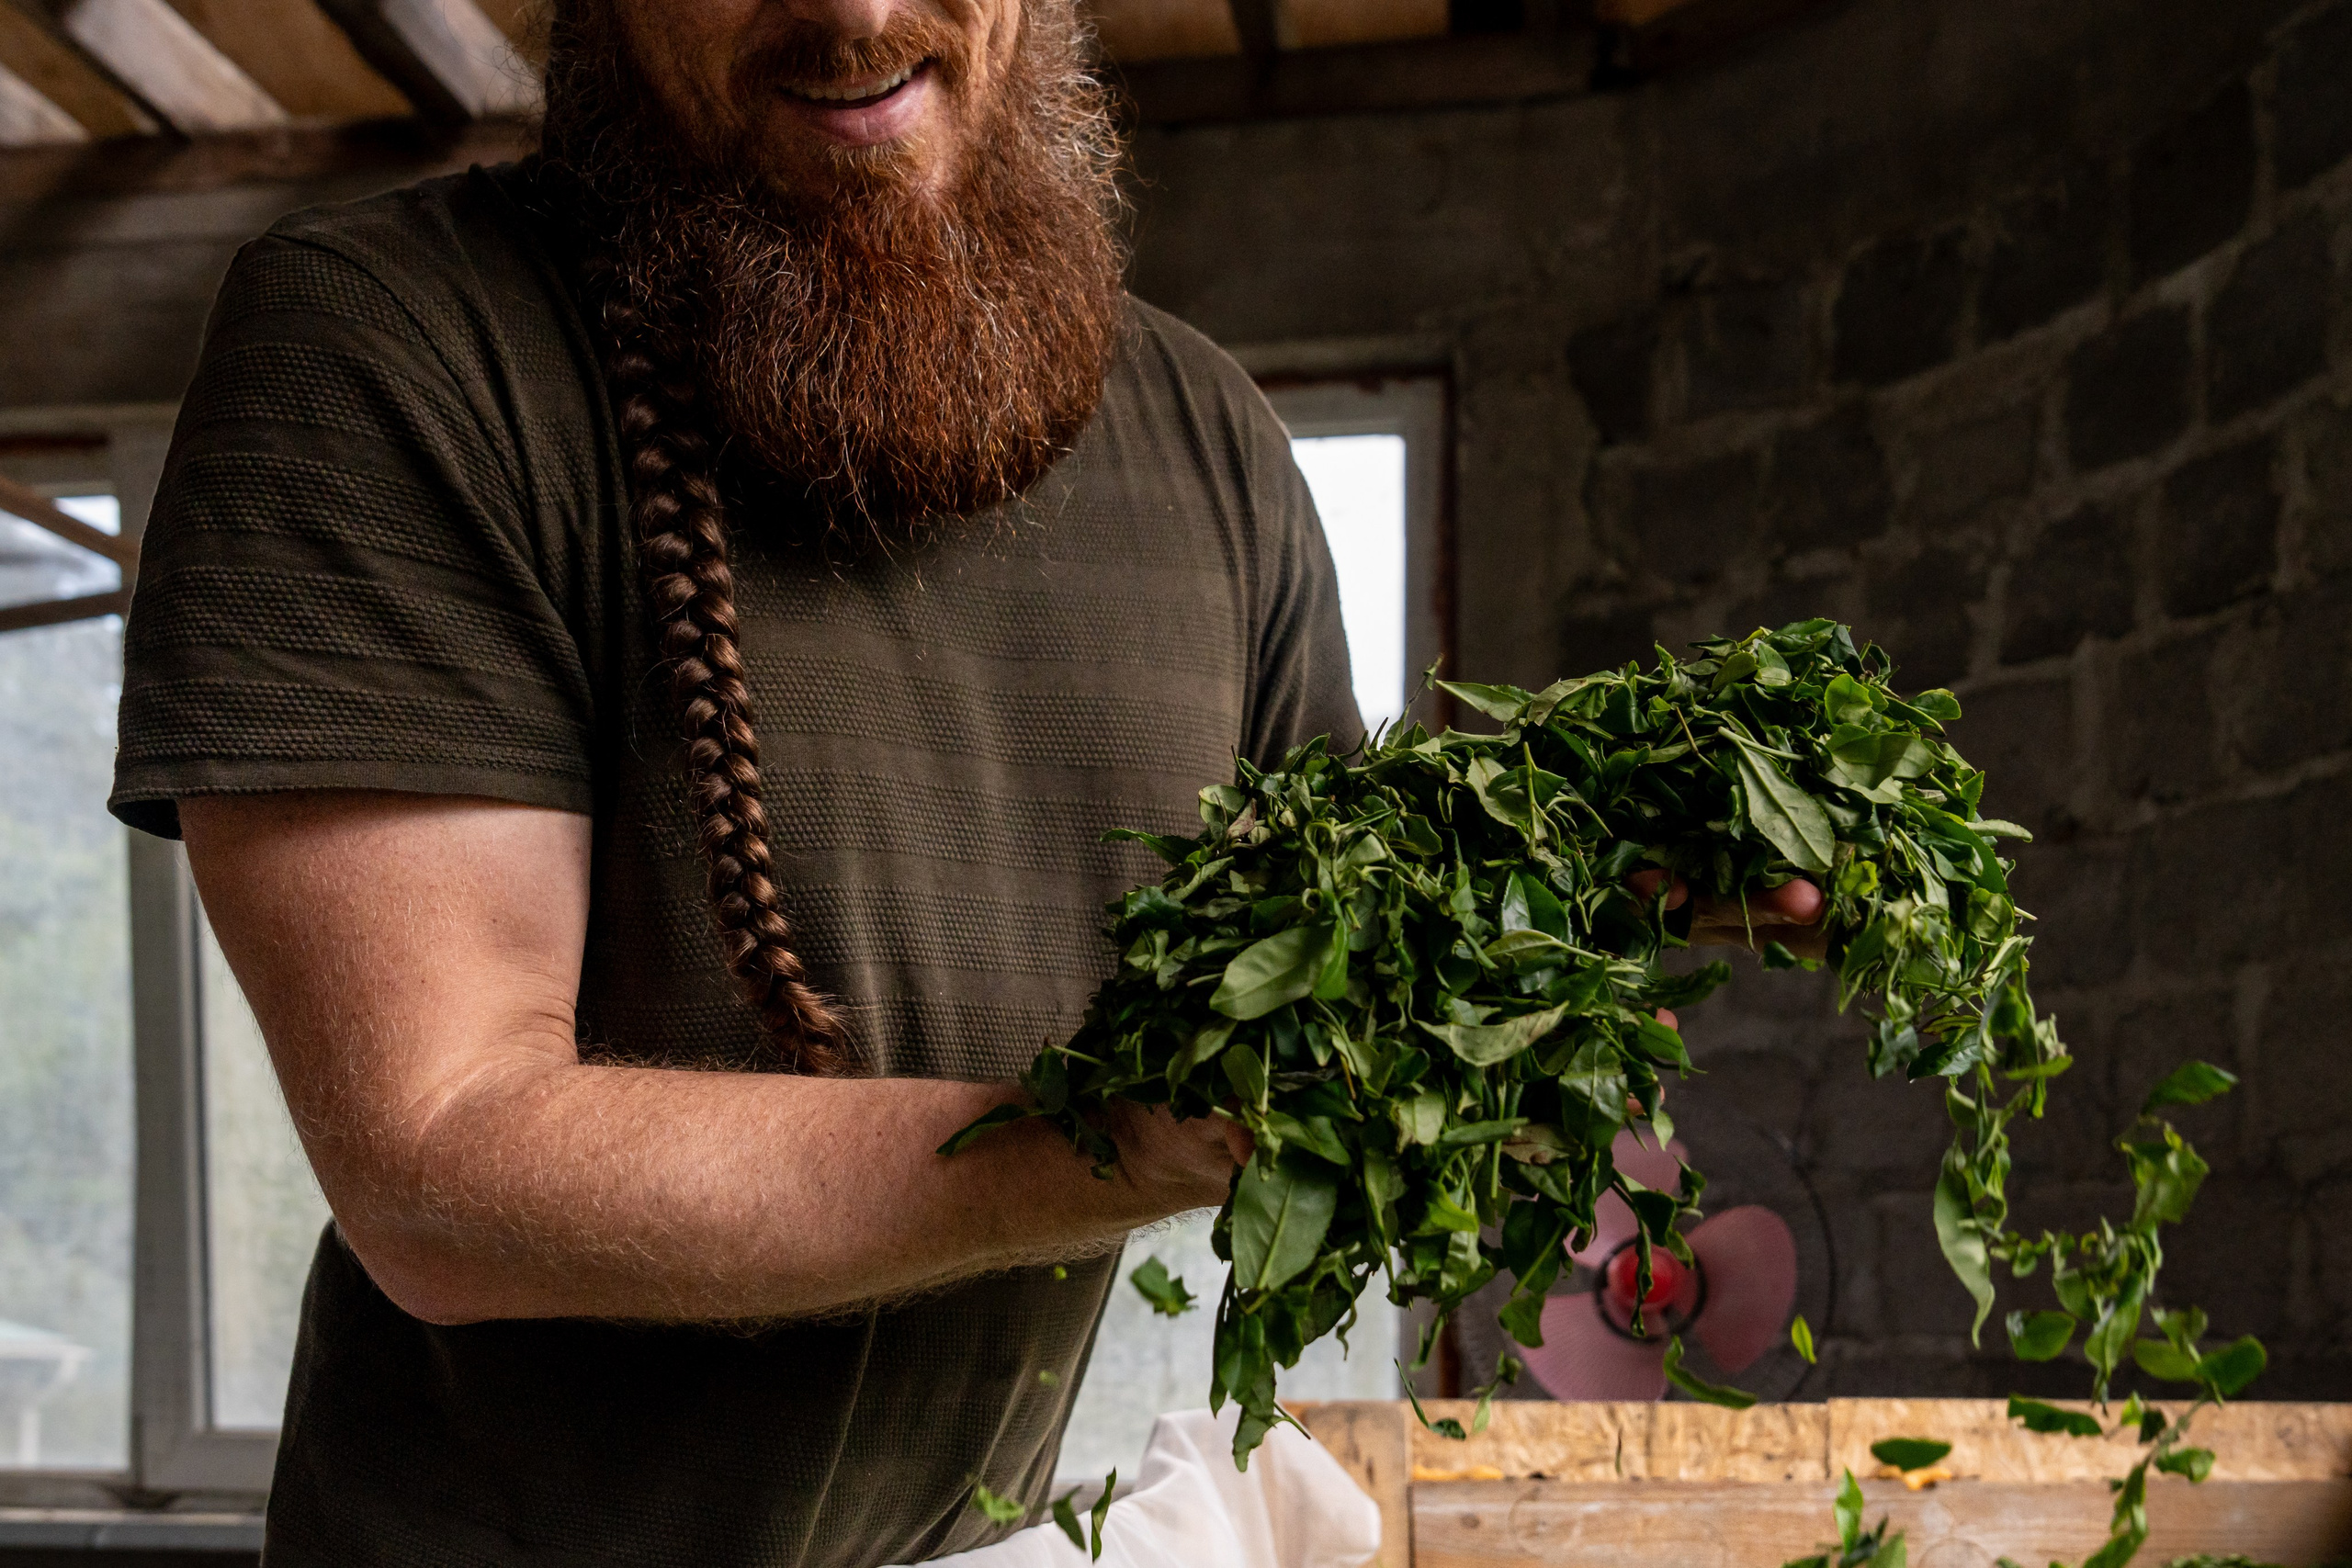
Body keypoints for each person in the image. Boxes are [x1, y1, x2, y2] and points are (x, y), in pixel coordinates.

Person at [107, 2, 1826, 1562]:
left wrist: (1568, 869)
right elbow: (445, 1161)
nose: (854, 10)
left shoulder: (1206, 432)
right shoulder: (390, 351)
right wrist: (1109, 1142)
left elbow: (1339, 947)